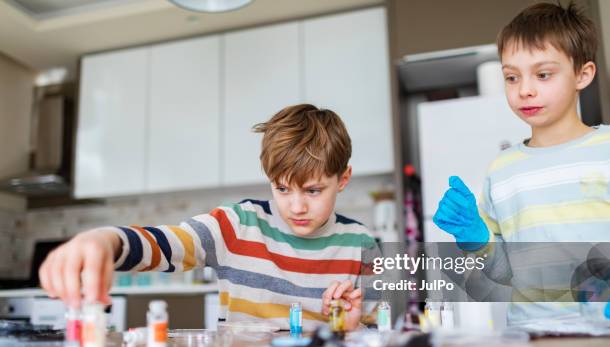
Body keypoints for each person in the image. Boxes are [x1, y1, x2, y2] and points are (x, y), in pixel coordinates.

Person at [39, 104, 378, 331]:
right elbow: (171, 244)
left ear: (343, 179)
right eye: (283, 189)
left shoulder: (363, 243)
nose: (297, 206)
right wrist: (106, 240)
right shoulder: (239, 223)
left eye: (314, 191)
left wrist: (350, 328)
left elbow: (390, 338)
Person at [433, 2, 610, 324]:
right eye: (512, 77)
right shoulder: (502, 171)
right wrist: (478, 240)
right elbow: (506, 273)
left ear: (582, 75)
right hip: (533, 336)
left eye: (543, 74)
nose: (525, 90)